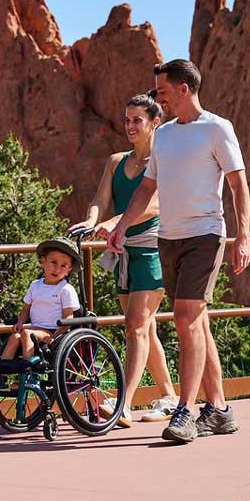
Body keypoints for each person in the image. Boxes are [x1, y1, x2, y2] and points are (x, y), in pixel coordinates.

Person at [108, 59, 250, 444]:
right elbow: (145, 189)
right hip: (167, 239)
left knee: (186, 319)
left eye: (163, 92)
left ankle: (185, 411)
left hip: (205, 235)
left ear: (184, 89)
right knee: (198, 323)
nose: (159, 98)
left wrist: (243, 237)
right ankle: (219, 409)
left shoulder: (217, 129)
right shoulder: (166, 136)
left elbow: (239, 186)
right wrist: (121, 226)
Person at [70, 93, 179, 426]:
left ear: (154, 123)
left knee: (135, 327)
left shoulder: (164, 161)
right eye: (127, 119)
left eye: (138, 120)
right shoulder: (116, 161)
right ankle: (169, 396)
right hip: (122, 251)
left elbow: (153, 204)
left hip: (152, 250)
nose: (130, 125)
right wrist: (92, 221)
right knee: (144, 329)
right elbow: (100, 199)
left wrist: (115, 223)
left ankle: (124, 404)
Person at [0, 237, 81, 389]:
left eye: (63, 265)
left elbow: (68, 318)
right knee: (15, 336)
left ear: (68, 270)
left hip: (53, 332)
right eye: (53, 262)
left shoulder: (65, 289)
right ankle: (0, 375)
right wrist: (20, 322)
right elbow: (26, 309)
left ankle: (28, 374)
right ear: (43, 261)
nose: (57, 268)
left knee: (27, 334)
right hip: (34, 328)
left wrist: (54, 337)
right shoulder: (35, 285)